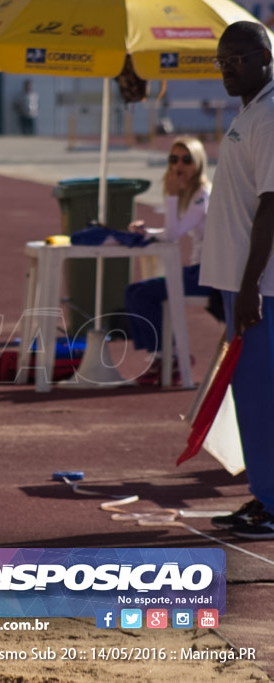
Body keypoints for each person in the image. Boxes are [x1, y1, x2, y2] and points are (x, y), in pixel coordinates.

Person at [199, 20, 274, 539]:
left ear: (265, 55)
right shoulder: (250, 111)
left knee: (262, 395)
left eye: (238, 58)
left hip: (262, 287)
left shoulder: (270, 116)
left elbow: (272, 203)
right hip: (239, 281)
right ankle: (263, 494)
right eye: (221, 60)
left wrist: (249, 285)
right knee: (249, 397)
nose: (227, 67)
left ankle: (271, 504)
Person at [124, 136, 213, 385]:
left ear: (199, 163)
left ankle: (169, 357)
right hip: (198, 271)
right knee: (136, 291)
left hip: (208, 274)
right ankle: (162, 355)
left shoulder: (202, 195)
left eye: (186, 160)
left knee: (142, 293)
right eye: (174, 159)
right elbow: (170, 232)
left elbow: (173, 234)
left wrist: (172, 196)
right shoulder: (192, 192)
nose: (179, 166)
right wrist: (146, 232)